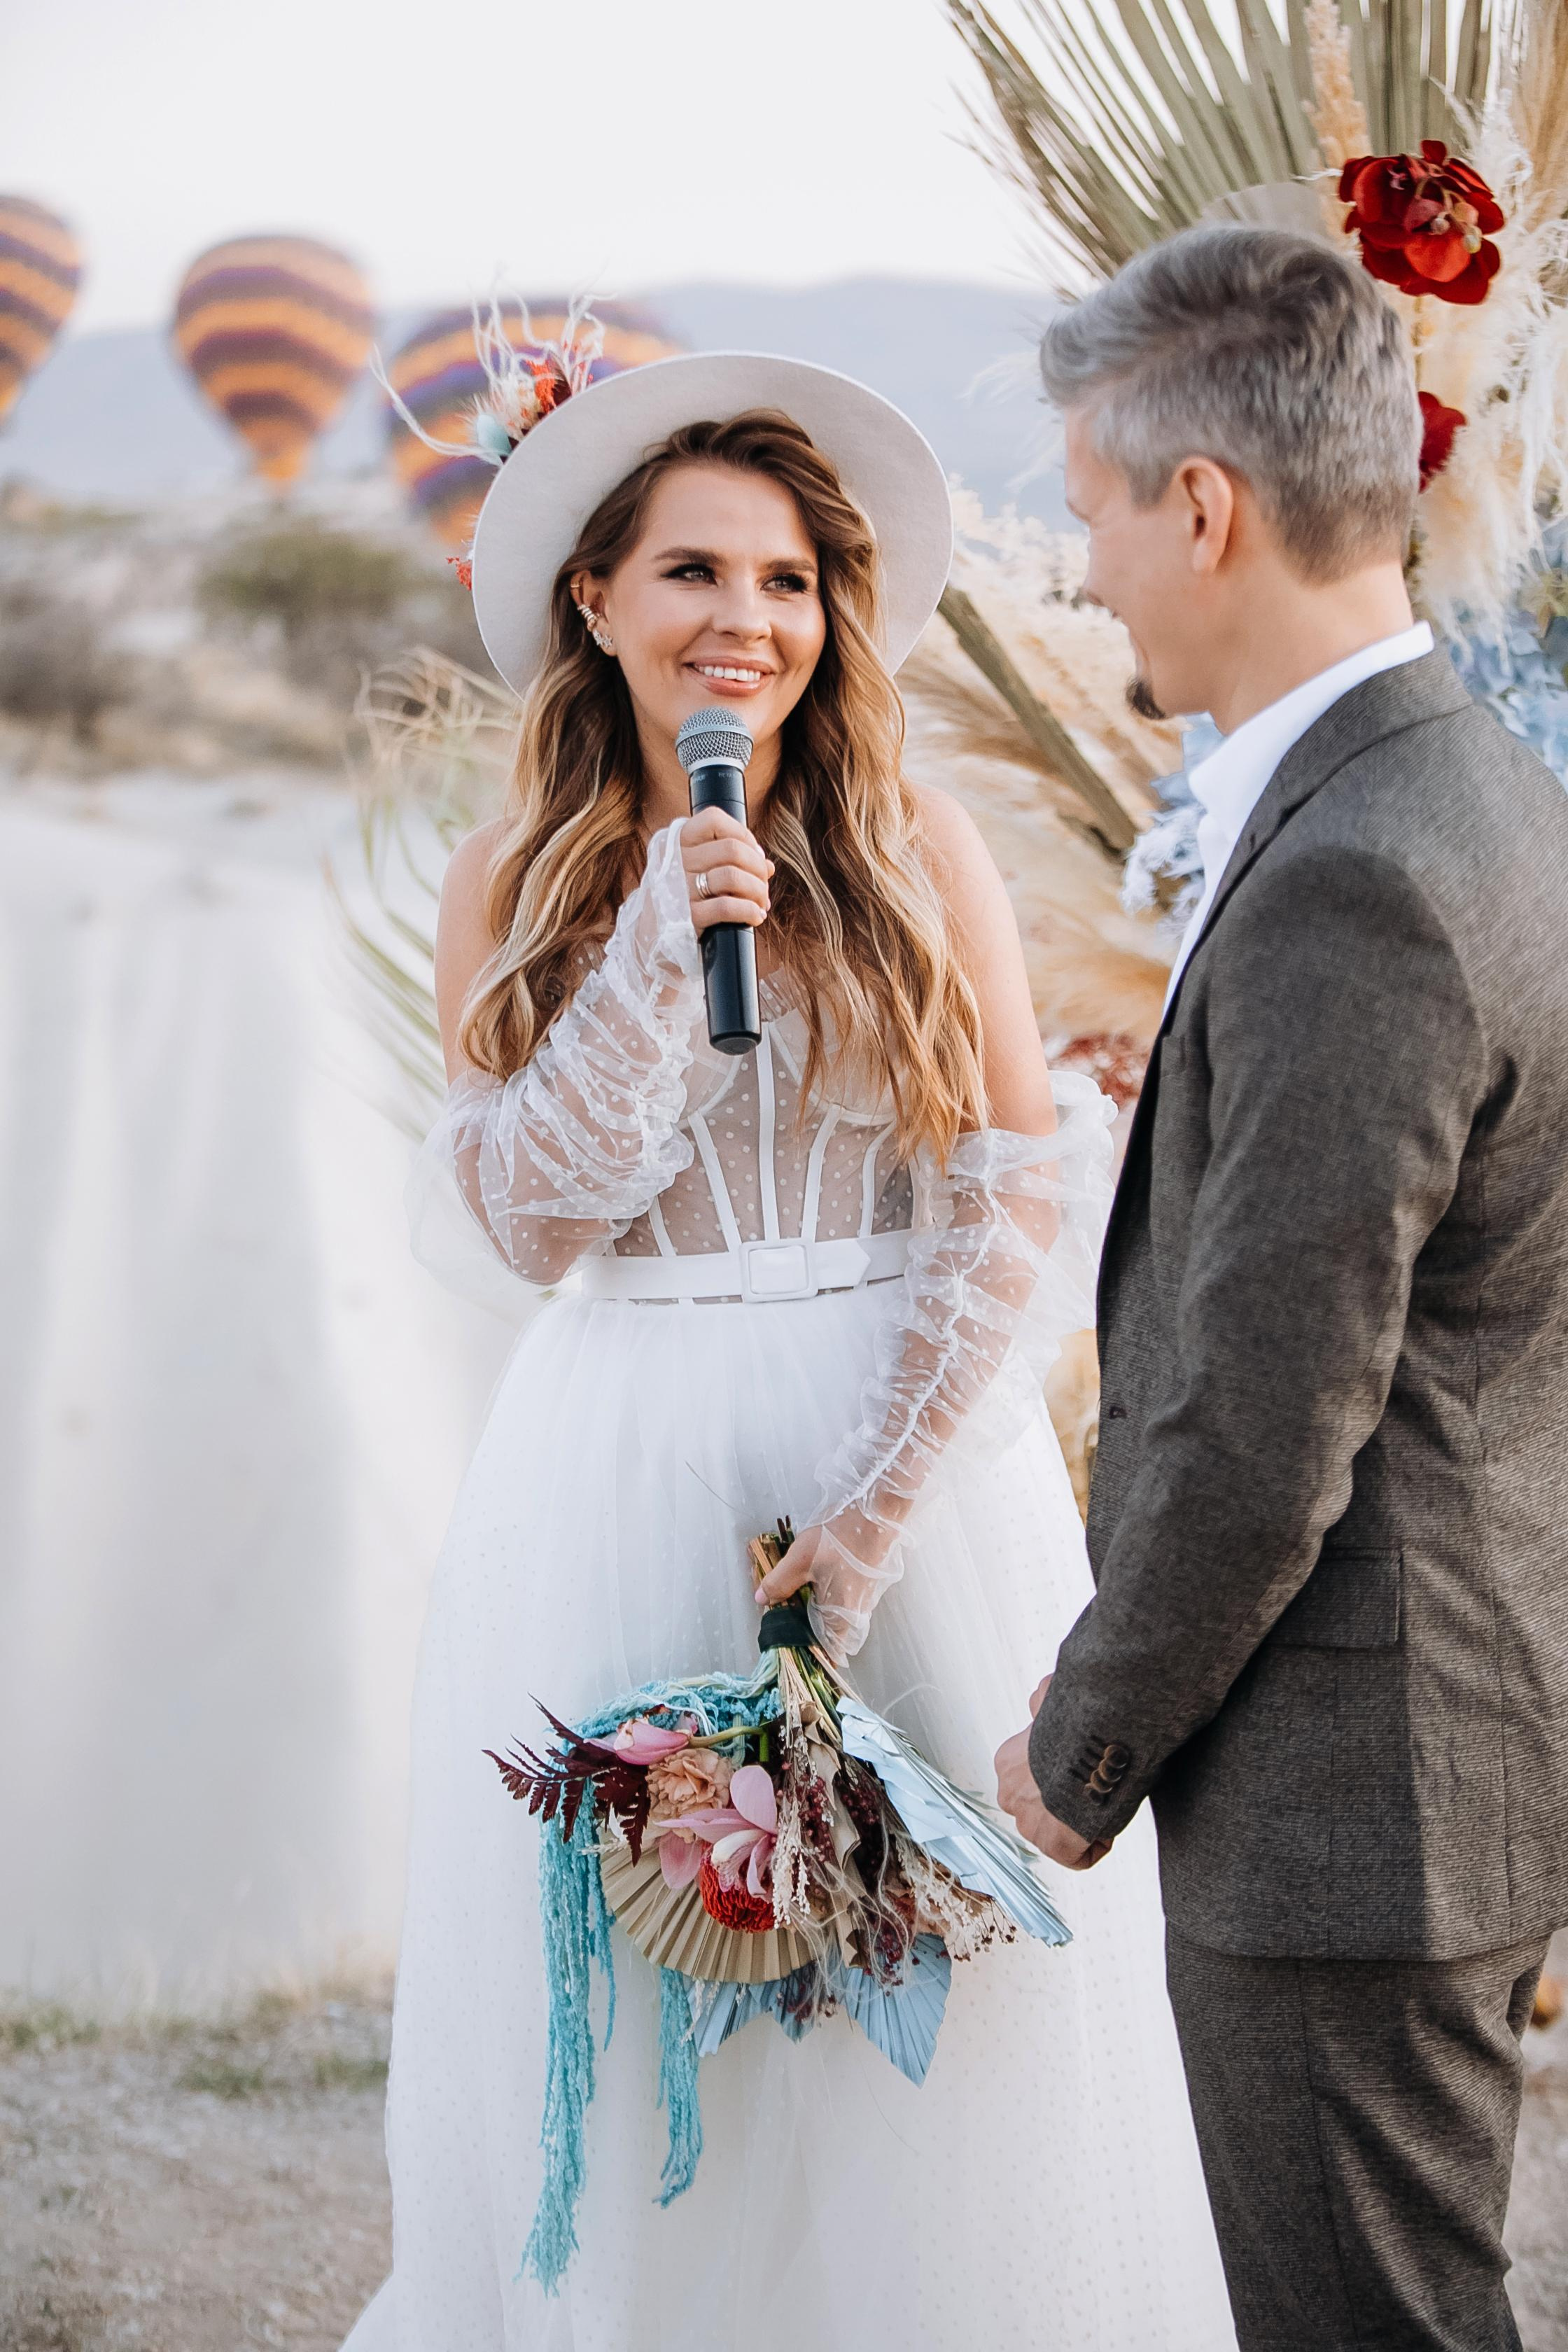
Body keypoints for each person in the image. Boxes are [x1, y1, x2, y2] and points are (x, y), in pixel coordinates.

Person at [342, 348, 1236, 2350]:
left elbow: (1012, 1175)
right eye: (693, 572)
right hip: (622, 1461)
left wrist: (882, 1500)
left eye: (787, 582)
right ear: (595, 600)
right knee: (665, 1993)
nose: (746, 621)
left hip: (913, 1467)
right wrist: (659, 941)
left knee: (955, 1998)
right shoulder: (515, 876)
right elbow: (525, 1218)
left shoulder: (916, 845)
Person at [995, 223, 1568, 2351]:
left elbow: (1268, 1411)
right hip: (1442, 1753)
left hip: (1350, 1801)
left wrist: (1077, 1744)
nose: (1085, 571)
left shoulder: (1355, 875)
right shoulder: (1477, 787)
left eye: (1090, 512)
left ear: (1203, 507)